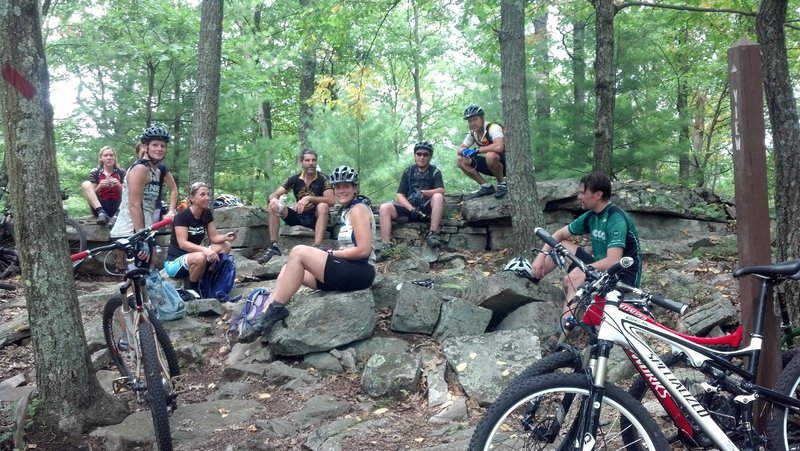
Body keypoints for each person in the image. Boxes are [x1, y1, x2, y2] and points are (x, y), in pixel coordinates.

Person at [239, 165, 376, 343]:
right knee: (287, 269)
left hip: (361, 271)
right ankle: (264, 317)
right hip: (346, 270)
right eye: (338, 187)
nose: (341, 190)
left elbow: (363, 250)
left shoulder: (358, 209)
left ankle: (277, 308)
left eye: (346, 186)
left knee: (298, 251)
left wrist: (332, 253)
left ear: (354, 188)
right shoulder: (347, 211)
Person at [531, 172, 642, 345]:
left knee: (574, 278)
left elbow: (613, 261)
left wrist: (584, 273)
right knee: (561, 245)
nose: (579, 196)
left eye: (583, 192)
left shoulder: (615, 219)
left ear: (597, 195)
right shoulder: (592, 215)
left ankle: (562, 334)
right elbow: (559, 234)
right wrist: (541, 256)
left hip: (621, 276)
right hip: (601, 268)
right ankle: (534, 276)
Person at [110, 125, 175, 272]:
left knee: (145, 273)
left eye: (162, 146)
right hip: (132, 230)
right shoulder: (140, 169)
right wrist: (141, 239)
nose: (159, 149)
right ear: (145, 146)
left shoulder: (156, 171)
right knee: (137, 276)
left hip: (144, 228)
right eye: (155, 145)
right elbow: (134, 205)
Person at [258, 149, 335, 264]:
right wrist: (274, 199)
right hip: (298, 216)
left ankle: (317, 246)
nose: (311, 163)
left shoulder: (323, 179)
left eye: (313, 160)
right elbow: (275, 194)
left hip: (316, 218)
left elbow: (331, 200)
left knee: (323, 206)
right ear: (301, 162)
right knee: (272, 206)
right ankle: (274, 246)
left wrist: (308, 198)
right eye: (307, 160)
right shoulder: (294, 179)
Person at [164, 182, 235, 295]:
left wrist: (225, 237)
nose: (207, 197)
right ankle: (193, 289)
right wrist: (205, 250)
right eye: (202, 194)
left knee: (225, 246)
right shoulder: (182, 216)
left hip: (196, 256)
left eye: (208, 194)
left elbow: (214, 237)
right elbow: (183, 244)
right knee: (201, 256)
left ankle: (210, 279)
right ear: (192, 198)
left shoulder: (206, 213)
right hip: (174, 262)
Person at [378, 140, 445, 249]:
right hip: (409, 209)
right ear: (415, 155)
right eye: (419, 154)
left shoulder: (435, 171)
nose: (422, 157)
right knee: (384, 208)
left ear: (430, 157)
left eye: (425, 154)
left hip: (426, 209)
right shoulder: (408, 171)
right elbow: (399, 195)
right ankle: (386, 245)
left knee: (438, 196)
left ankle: (432, 234)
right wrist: (411, 209)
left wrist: (425, 193)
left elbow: (441, 190)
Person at [456, 104, 507, 199]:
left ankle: (501, 184)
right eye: (470, 121)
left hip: (508, 164)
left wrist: (477, 150)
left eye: (475, 119)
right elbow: (459, 149)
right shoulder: (473, 133)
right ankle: (486, 186)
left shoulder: (493, 128)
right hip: (492, 166)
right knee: (460, 160)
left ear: (482, 118)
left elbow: (499, 146)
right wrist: (465, 152)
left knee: (490, 155)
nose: (472, 123)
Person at [133, 142, 179, 223]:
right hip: (137, 211)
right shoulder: (135, 169)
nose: (144, 156)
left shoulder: (160, 167)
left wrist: (171, 210)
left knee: (152, 229)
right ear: (137, 154)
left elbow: (173, 189)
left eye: (162, 146)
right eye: (142, 153)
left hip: (155, 206)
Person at [81, 146, 126, 226]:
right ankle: (101, 213)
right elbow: (90, 194)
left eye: (111, 155)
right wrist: (99, 187)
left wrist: (119, 186)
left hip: (118, 206)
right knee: (86, 184)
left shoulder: (121, 172)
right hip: (100, 207)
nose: (109, 158)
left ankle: (117, 214)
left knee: (129, 187)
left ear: (115, 158)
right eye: (105, 155)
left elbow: (128, 193)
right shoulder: (96, 172)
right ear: (101, 158)